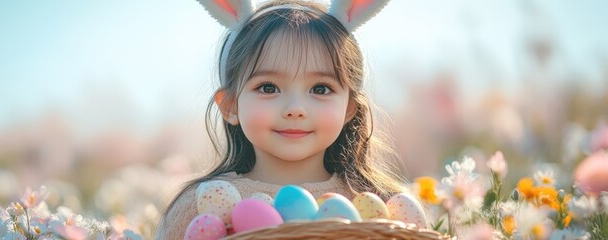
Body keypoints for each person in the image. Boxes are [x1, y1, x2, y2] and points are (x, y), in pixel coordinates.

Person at [155, 0, 428, 238]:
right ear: (230, 106)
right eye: (268, 88)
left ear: (349, 109)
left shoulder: (381, 209)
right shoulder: (199, 206)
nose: (295, 109)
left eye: (320, 89)